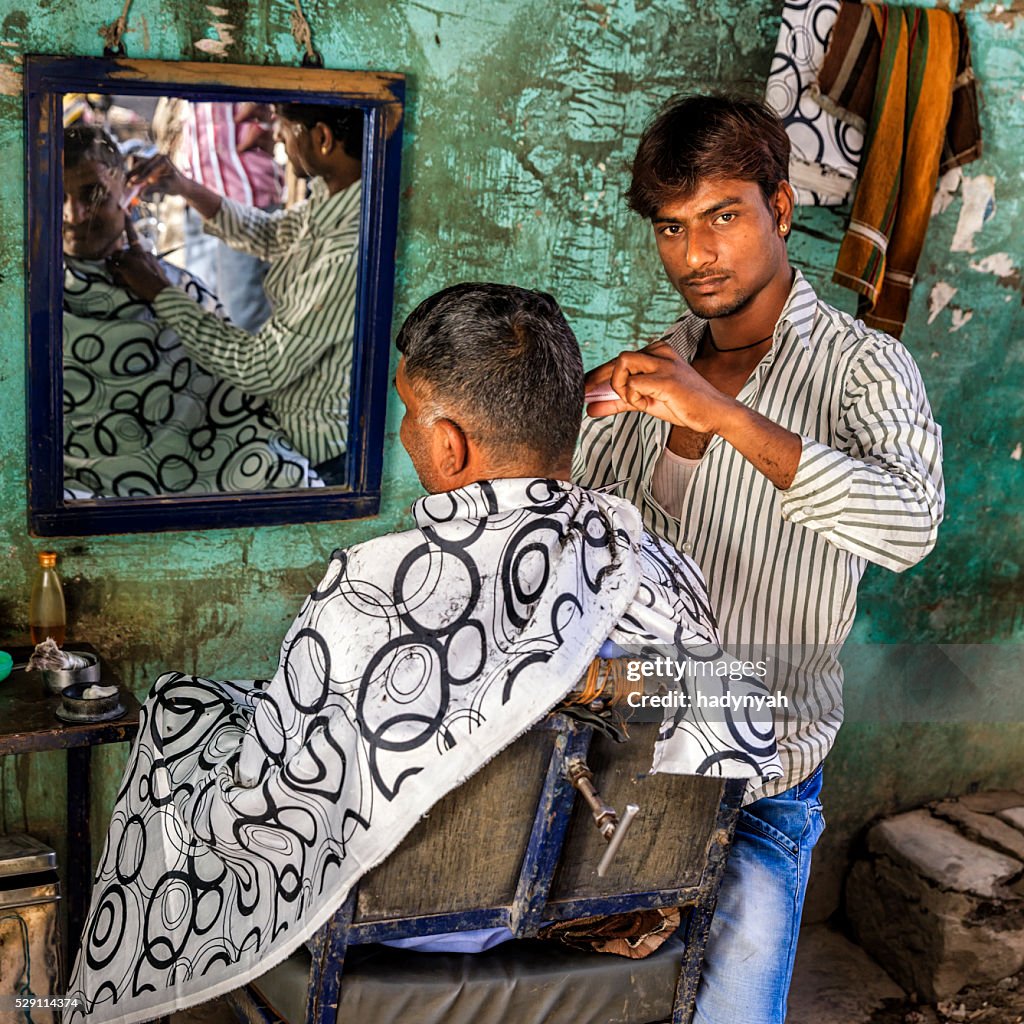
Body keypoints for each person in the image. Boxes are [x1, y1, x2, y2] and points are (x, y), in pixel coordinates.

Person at [67, 283, 781, 1024]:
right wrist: (596, 677)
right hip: (595, 909)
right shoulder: (656, 570)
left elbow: (277, 801)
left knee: (184, 723)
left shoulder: (371, 590)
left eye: (410, 411)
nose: (407, 432)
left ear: (450, 444)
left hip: (405, 928)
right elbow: (738, 704)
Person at [574, 95, 945, 1023]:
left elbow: (909, 527)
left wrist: (725, 418)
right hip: (617, 769)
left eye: (722, 217)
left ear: (780, 210)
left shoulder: (864, 370)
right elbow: (582, 551)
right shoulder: (647, 373)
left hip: (758, 784)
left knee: (730, 1015)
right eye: (672, 227)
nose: (696, 253)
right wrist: (563, 420)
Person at [110, 103, 364, 484]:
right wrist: (184, 186)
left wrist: (160, 291)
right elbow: (273, 235)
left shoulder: (347, 253)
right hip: (282, 428)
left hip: (320, 457)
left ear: (323, 139)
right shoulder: (335, 199)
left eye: (284, 126)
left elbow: (258, 367)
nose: (274, 135)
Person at [61, 126, 316, 497]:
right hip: (81, 483)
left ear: (127, 192)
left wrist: (162, 292)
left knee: (290, 479)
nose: (75, 214)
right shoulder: (28, 297)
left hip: (206, 465)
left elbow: (239, 384)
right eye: (59, 196)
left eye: (93, 193)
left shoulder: (179, 288)